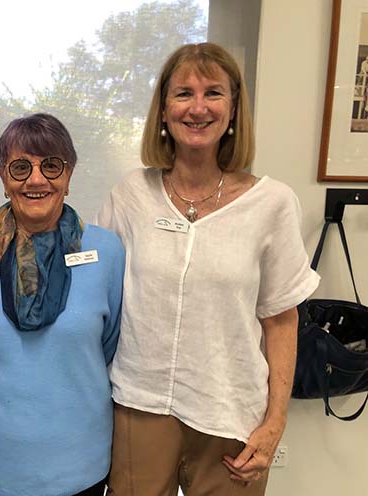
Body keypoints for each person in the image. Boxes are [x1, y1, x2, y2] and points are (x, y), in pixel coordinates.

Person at [95, 42, 320, 495]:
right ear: (163, 110)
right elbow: (90, 280)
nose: (197, 108)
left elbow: (281, 320)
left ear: (233, 109)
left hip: (231, 413)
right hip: (141, 405)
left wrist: (275, 421)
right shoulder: (131, 196)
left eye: (213, 93)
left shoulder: (272, 204)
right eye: (183, 94)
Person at [0, 113, 125, 496]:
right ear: (3, 177)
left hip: (78, 462)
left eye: (51, 165)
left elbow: (109, 345)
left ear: (69, 174)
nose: (36, 180)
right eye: (20, 167)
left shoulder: (108, 252)